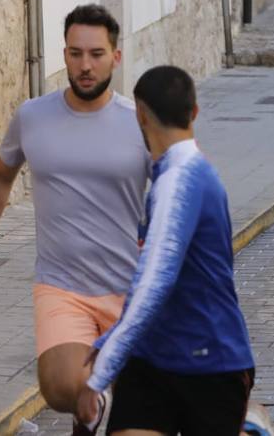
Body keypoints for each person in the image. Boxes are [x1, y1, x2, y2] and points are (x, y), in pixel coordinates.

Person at [0, 5, 148, 436]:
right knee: (62, 387)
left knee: (151, 398)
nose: (85, 65)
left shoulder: (138, 122)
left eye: (96, 54)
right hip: (63, 285)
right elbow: (1, 172)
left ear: (115, 57)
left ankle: (95, 411)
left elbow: (181, 185)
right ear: (64, 55)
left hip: (131, 287)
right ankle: (92, 402)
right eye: (76, 54)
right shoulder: (33, 116)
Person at [74, 66, 256, 436]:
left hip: (209, 362)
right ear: (195, 113)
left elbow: (154, 280)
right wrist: (112, 342)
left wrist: (100, 374)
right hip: (152, 361)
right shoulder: (180, 172)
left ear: (140, 115)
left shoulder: (180, 180)